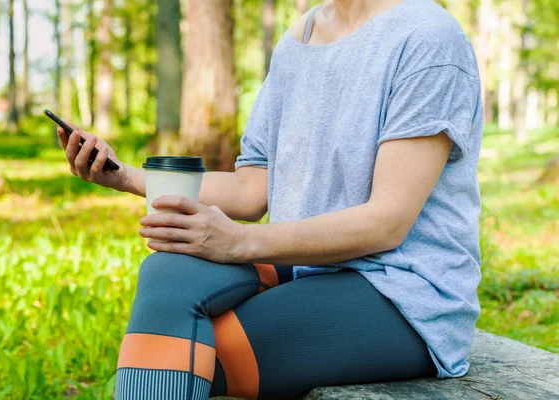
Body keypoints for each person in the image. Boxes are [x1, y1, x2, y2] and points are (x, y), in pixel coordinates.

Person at [57, 0, 483, 398]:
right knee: (169, 274)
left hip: (404, 292)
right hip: (307, 262)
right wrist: (126, 176)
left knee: (178, 351)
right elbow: (250, 190)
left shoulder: (428, 38)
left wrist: (239, 242)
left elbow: (386, 223)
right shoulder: (300, 39)